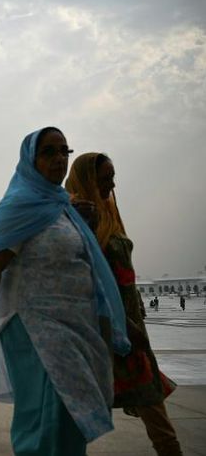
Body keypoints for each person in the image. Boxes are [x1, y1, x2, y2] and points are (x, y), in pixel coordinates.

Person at [0, 127, 130, 456]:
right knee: (45, 418)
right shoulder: (18, 207)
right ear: (30, 160)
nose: (58, 159)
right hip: (33, 330)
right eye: (48, 152)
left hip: (74, 329)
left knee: (71, 416)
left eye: (64, 151)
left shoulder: (65, 209)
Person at [66, 152, 183, 456]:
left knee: (154, 409)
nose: (112, 184)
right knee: (73, 418)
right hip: (104, 329)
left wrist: (136, 315)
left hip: (129, 325)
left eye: (113, 177)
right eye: (105, 178)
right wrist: (126, 326)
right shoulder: (78, 214)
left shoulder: (109, 212)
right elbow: (85, 276)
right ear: (89, 179)